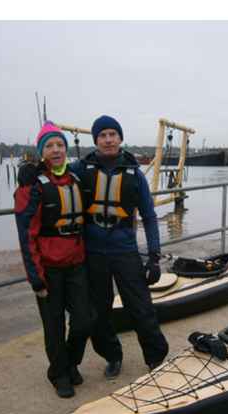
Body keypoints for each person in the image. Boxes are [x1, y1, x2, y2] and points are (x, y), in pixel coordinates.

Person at [74, 115, 169, 378]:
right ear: (95, 140)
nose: (107, 140)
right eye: (102, 135)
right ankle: (112, 356)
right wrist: (34, 174)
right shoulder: (81, 169)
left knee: (141, 307)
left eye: (112, 134)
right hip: (93, 253)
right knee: (98, 312)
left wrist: (154, 256)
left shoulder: (135, 174)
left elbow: (149, 217)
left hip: (125, 250)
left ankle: (155, 357)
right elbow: (55, 174)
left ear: (120, 138)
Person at [14, 121, 96, 398]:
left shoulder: (75, 179)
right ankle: (59, 373)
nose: (56, 149)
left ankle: (70, 362)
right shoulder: (32, 186)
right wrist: (35, 278)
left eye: (60, 144)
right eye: (49, 146)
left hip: (76, 264)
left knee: (84, 320)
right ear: (41, 152)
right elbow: (27, 236)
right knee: (54, 326)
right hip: (48, 269)